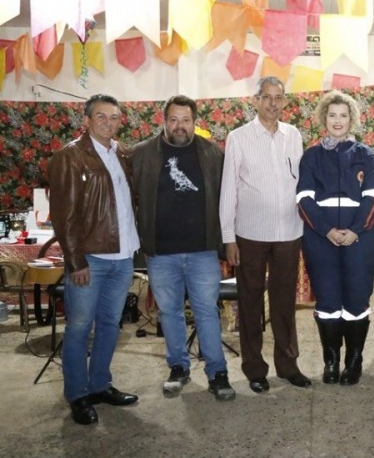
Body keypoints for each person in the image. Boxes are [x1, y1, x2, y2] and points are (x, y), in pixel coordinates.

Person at [131, 95, 235, 401]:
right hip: (161, 253)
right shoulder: (142, 154)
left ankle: (218, 372)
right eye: (174, 119)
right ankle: (178, 367)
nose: (180, 126)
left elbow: (227, 199)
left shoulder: (212, 153)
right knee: (170, 313)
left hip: (202, 251)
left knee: (206, 312)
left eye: (186, 120)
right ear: (163, 121)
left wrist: (228, 240)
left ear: (195, 122)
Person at [48, 94, 141, 425]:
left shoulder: (123, 154)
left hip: (123, 256)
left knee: (110, 325)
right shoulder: (70, 157)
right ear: (87, 119)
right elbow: (64, 216)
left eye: (113, 117)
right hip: (91, 259)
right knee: (78, 327)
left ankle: (100, 384)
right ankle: (77, 394)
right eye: (100, 116)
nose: (107, 122)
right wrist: (76, 262)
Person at [219, 76, 311, 393]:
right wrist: (229, 237)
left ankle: (288, 365)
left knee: (285, 302)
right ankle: (254, 368)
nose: (272, 103)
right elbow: (228, 190)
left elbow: (299, 183)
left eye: (278, 97)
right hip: (250, 234)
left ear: (285, 102)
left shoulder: (293, 135)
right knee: (250, 302)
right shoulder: (239, 137)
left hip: (288, 232)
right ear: (256, 99)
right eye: (267, 97)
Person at [296, 90, 374, 386]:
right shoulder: (311, 156)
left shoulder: (366, 155)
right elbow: (304, 199)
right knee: (328, 303)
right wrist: (328, 231)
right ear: (324, 118)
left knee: (356, 302)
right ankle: (331, 360)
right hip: (321, 241)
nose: (337, 120)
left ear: (352, 120)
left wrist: (355, 231)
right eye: (332, 115)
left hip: (360, 241)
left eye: (343, 115)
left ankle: (354, 361)